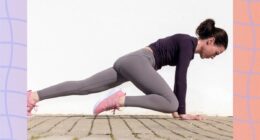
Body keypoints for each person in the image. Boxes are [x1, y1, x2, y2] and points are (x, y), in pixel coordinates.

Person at [27, 19, 228, 120]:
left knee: (84, 86)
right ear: (210, 41)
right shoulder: (188, 43)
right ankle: (119, 100)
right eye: (216, 52)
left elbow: (169, 91)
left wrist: (175, 110)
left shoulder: (186, 44)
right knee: (172, 103)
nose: (213, 58)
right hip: (139, 61)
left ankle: (33, 96)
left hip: (131, 61)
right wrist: (181, 111)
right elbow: (180, 78)